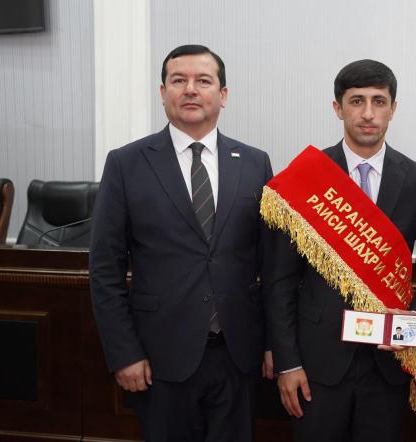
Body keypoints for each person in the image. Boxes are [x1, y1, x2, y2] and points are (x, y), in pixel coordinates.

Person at [90, 44, 274, 442]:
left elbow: (271, 266)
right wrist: (124, 353)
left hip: (238, 355)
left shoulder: (255, 162)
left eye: (203, 81)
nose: (190, 89)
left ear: (223, 95)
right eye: (179, 80)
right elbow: (105, 269)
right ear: (163, 92)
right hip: (160, 356)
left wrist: (274, 344)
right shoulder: (126, 163)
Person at [266, 59, 416, 442]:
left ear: (393, 108)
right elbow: (279, 280)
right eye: (356, 101)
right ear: (338, 108)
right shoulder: (306, 178)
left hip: (387, 362)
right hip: (317, 363)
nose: (368, 113)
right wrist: (287, 363)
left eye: (379, 101)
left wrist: (415, 317)